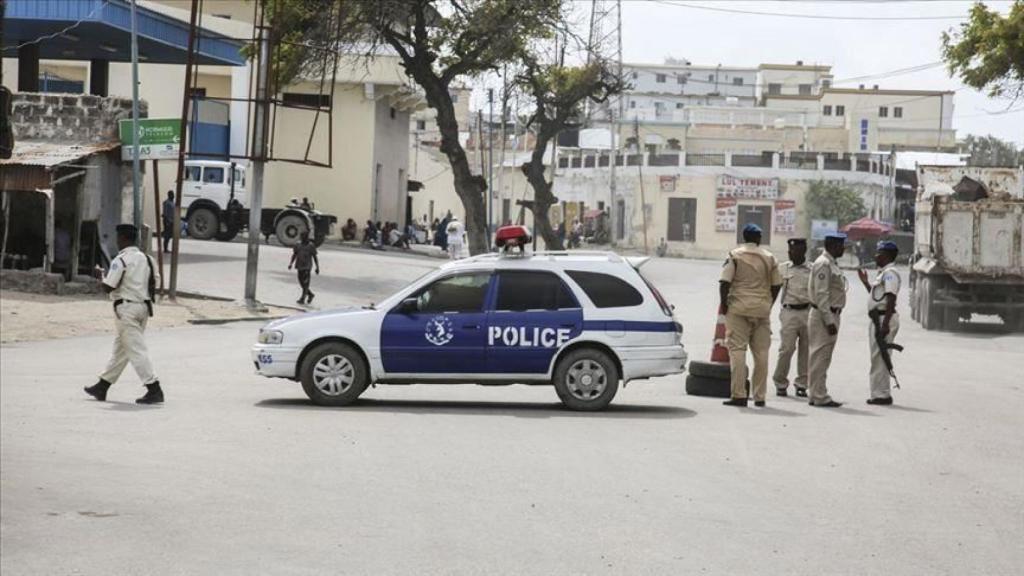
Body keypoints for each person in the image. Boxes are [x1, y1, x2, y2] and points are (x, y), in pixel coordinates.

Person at [84, 224, 163, 404]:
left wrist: (100, 276)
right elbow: (156, 283)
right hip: (144, 308)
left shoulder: (121, 260)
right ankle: (103, 385)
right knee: (122, 349)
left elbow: (108, 287)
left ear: (123, 238)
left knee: (136, 350)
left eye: (118, 238)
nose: (117, 241)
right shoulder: (148, 259)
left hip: (126, 309)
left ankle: (154, 388)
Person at [719, 223, 782, 407]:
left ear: (743, 237)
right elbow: (777, 284)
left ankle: (739, 395)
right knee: (761, 353)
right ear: (759, 239)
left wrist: (724, 305)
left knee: (738, 351)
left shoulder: (734, 255)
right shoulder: (770, 258)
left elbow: (724, 282)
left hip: (738, 308)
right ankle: (759, 396)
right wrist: (768, 303)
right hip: (761, 310)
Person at [806, 233, 849, 408]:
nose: (843, 248)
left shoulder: (831, 263)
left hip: (830, 314)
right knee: (820, 357)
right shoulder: (823, 264)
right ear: (832, 245)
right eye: (841, 245)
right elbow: (821, 294)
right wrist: (829, 320)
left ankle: (816, 393)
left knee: (822, 357)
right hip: (824, 316)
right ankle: (819, 395)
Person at [858, 240, 901, 405]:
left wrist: (885, 324)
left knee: (881, 357)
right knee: (878, 356)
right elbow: (878, 297)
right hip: (879, 318)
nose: (876, 256)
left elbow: (891, 299)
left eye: (879, 253)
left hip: (884, 319)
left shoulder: (890, 274)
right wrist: (866, 283)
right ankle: (880, 392)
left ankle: (881, 395)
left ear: (886, 255)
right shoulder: (883, 273)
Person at [772, 238, 812, 397]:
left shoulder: (812, 269)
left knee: (806, 350)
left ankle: (802, 384)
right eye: (789, 251)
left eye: (794, 251)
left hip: (808, 312)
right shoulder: (783, 268)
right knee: (786, 349)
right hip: (789, 313)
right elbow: (774, 290)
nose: (790, 254)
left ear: (803, 251)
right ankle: (780, 382)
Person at [288, 231, 320, 305]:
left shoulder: (311, 246)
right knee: (301, 282)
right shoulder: (297, 244)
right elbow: (294, 254)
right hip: (299, 266)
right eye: (302, 237)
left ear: (307, 237)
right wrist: (291, 263)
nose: (303, 239)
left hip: (307, 266)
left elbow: (315, 257)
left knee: (306, 283)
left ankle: (302, 298)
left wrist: (317, 267)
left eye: (305, 237)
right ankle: (310, 294)